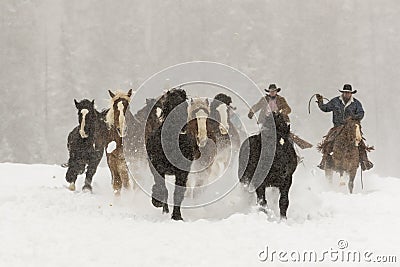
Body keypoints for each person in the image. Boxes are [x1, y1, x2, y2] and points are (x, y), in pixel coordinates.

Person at [316, 84, 373, 170]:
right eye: (345, 92)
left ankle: (364, 161)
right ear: (343, 93)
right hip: (337, 127)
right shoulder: (335, 101)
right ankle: (324, 160)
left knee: (360, 142)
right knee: (328, 141)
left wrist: (353, 117)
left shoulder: (356, 103)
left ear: (351, 93)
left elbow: (361, 113)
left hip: (352, 127)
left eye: (348, 93)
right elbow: (325, 108)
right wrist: (320, 102)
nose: (347, 94)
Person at [248, 83, 312, 149]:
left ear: (276, 91)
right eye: (271, 91)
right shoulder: (264, 99)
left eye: (274, 91)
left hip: (279, 120)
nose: (272, 93)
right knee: (261, 137)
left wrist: (281, 112)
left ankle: (294, 152)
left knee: (286, 136)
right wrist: (251, 112)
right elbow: (257, 106)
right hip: (266, 121)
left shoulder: (281, 99)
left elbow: (288, 109)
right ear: (269, 92)